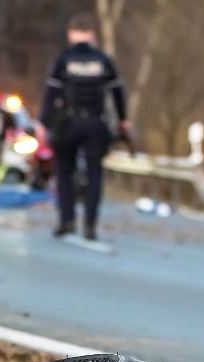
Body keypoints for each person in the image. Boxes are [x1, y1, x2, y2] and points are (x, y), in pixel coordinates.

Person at [39, 12, 129, 241]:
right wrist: (123, 120)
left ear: (71, 35)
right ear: (92, 35)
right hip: (95, 124)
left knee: (64, 170)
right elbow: (118, 92)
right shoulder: (103, 60)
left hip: (68, 123)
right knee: (95, 173)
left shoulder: (64, 59)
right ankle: (90, 224)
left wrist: (42, 123)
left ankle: (66, 221)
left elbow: (51, 94)